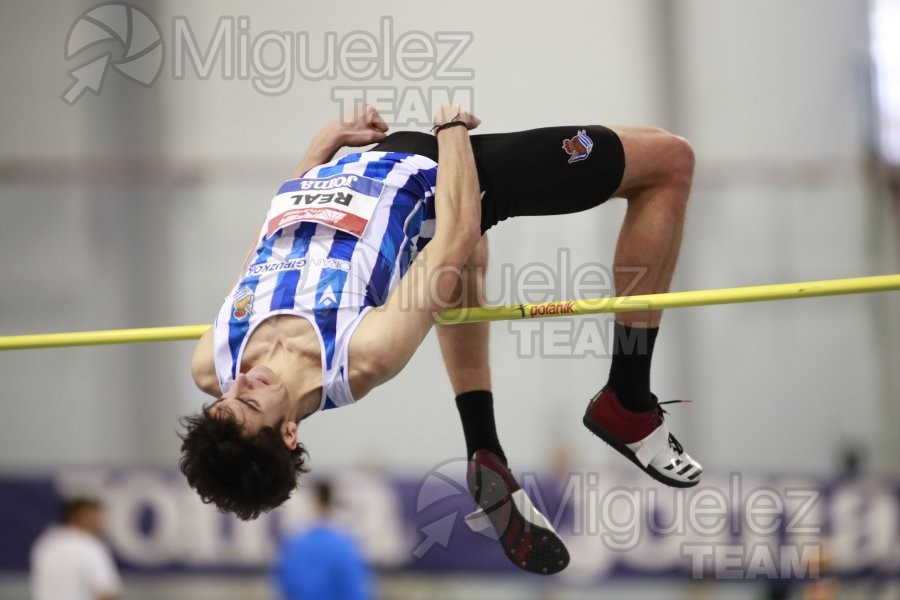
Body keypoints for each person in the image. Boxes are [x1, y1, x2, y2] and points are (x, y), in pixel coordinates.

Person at [180, 103, 700, 574]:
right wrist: (451, 134)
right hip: (436, 177)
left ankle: (483, 447)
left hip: (358, 165)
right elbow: (454, 233)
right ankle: (627, 402)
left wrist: (319, 151)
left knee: (469, 265)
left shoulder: (212, 361)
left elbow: (264, 248)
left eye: (227, 395)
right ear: (289, 433)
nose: (242, 379)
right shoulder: (359, 357)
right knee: (669, 162)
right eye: (251, 399)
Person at [275, 480, 372, 600]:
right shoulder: (345, 545)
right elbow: (356, 590)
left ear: (312, 502)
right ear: (332, 502)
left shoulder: (295, 544)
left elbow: (285, 586)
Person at [30, 497, 121, 600]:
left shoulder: (45, 543)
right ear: (80, 517)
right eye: (95, 516)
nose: (99, 522)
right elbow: (106, 594)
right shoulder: (91, 546)